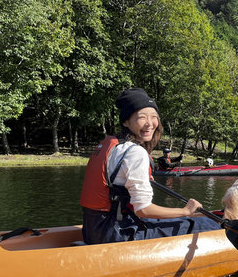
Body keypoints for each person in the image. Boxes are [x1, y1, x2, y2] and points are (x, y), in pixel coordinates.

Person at [79, 87, 220, 244]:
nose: (150, 124)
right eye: (142, 117)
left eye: (154, 117)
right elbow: (143, 210)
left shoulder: (111, 145)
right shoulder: (135, 153)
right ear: (125, 121)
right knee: (208, 224)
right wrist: (185, 211)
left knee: (166, 222)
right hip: (117, 235)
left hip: (92, 230)